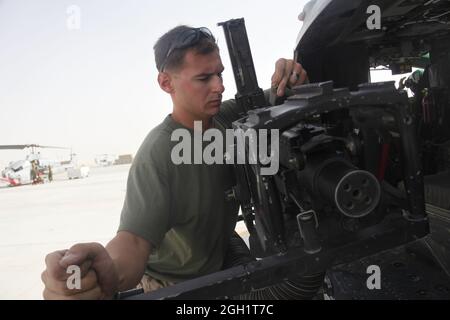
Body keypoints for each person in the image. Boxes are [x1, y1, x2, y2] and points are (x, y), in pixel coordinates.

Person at [41, 25, 308, 300]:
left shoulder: (226, 117)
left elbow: (281, 98)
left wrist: (292, 75)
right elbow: (132, 242)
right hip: (177, 285)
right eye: (204, 78)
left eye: (219, 74)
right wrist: (103, 273)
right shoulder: (158, 154)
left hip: (219, 256)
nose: (220, 86)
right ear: (167, 83)